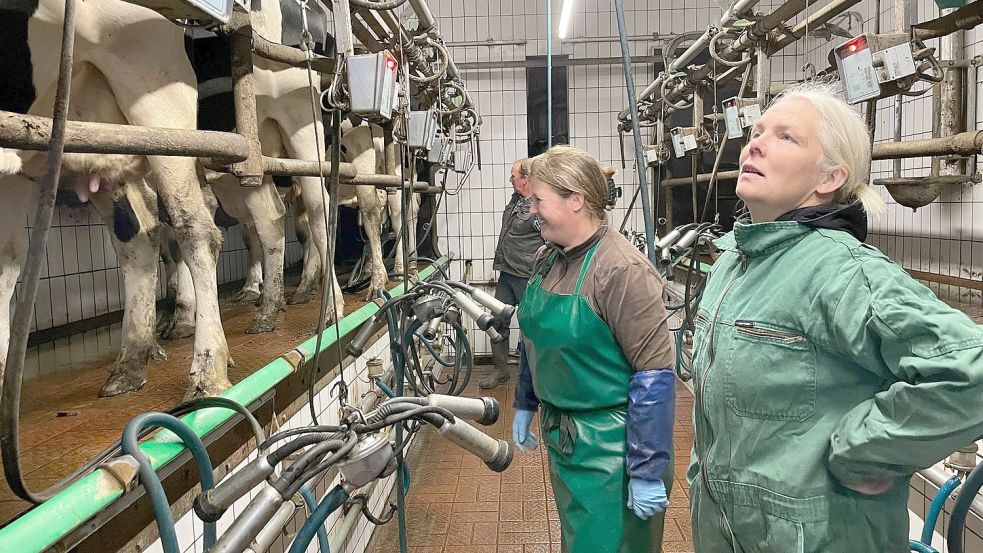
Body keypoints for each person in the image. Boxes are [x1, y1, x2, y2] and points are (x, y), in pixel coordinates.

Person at [688, 82, 983, 552]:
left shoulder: (840, 272)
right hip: (728, 531)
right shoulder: (733, 261)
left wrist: (863, 452)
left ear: (829, 179)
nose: (755, 143)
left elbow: (971, 372)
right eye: (758, 131)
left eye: (787, 137)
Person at [511, 145, 676, 553]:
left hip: (615, 452)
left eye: (539, 200)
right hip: (566, 441)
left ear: (577, 201)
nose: (531, 210)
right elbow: (536, 335)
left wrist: (647, 469)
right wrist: (526, 400)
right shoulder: (548, 258)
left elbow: (654, 375)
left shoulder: (621, 270)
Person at [480, 158, 545, 389]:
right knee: (497, 321)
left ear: (526, 179)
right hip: (507, 273)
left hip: (526, 276)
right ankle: (501, 371)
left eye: (514, 176)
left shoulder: (538, 206)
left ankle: (535, 379)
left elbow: (548, 239)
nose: (510, 179)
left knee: (531, 326)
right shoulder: (516, 201)